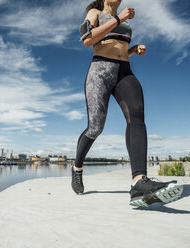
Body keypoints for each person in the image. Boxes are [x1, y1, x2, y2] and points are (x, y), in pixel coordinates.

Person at [71, 0, 183, 207]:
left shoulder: (124, 21)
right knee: (96, 128)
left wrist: (132, 51)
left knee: (137, 113)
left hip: (124, 71)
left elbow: (115, 45)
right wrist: (118, 18)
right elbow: (87, 40)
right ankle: (77, 168)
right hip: (100, 72)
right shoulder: (95, 13)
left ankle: (139, 182)